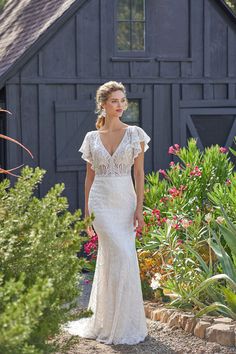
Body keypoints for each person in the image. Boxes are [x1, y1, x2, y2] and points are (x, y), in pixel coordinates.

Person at [65, 81, 151, 345]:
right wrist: (87, 212)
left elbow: (139, 175)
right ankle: (108, 322)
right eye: (115, 100)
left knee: (123, 258)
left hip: (125, 203)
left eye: (122, 100)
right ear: (103, 104)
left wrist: (139, 209)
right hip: (100, 203)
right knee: (118, 256)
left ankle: (124, 322)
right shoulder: (92, 138)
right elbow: (88, 179)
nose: (120, 105)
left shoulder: (135, 133)